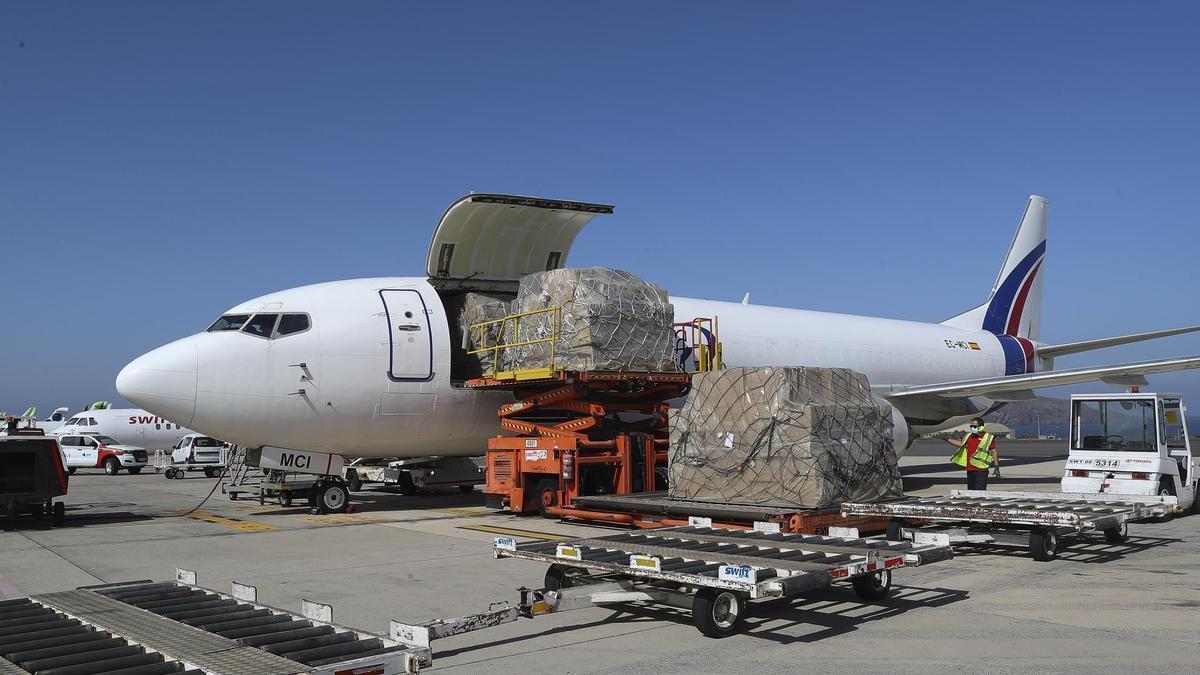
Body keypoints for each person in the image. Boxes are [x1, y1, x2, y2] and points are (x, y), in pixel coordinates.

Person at [944, 417, 1000, 490]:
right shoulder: (969, 436)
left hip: (981, 469)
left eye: (974, 426)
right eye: (971, 426)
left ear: (981, 427)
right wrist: (947, 439)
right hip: (970, 468)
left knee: (980, 491)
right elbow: (961, 444)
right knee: (970, 491)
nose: (972, 428)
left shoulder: (988, 437)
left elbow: (994, 451)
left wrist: (996, 467)